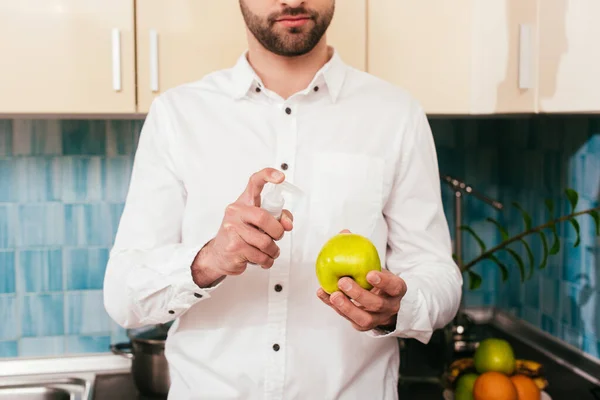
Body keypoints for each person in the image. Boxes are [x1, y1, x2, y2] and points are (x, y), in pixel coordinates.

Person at [103, 0, 463, 399]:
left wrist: (399, 306)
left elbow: (438, 276)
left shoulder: (396, 115)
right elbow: (123, 297)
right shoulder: (178, 115)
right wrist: (209, 260)